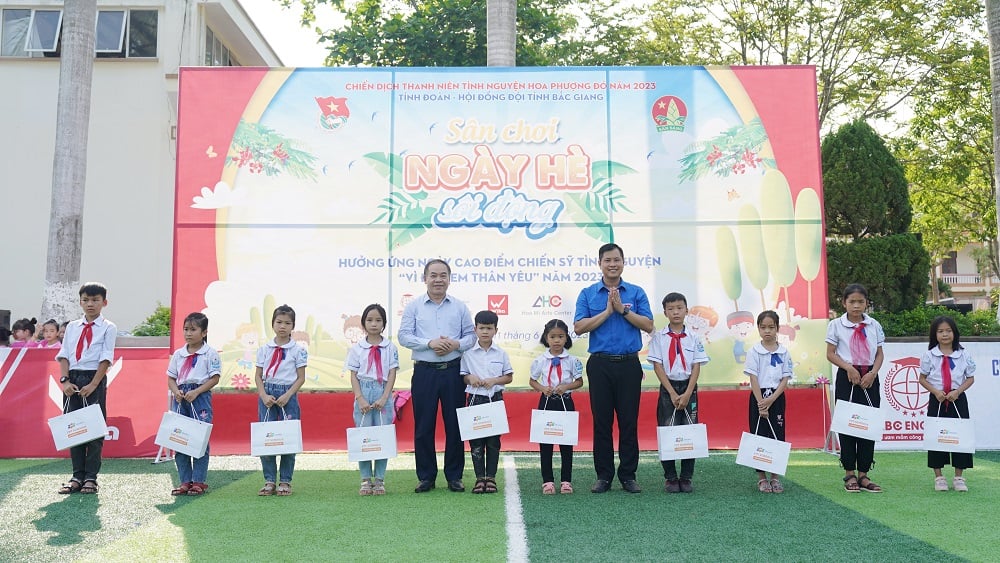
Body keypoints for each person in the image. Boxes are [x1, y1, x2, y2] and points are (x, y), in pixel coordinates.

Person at [574, 243, 654, 493]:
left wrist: (622, 310)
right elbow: (578, 327)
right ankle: (604, 476)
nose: (612, 264)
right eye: (607, 260)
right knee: (602, 422)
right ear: (600, 263)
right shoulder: (588, 293)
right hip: (599, 365)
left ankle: (628, 475)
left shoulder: (636, 292)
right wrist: (609, 312)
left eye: (617, 260)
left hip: (629, 364)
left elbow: (649, 325)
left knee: (629, 422)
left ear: (623, 262)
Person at [398, 259, 476, 493]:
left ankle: (454, 476)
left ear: (449, 279)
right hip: (424, 372)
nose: (438, 279)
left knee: (454, 425)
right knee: (423, 426)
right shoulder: (414, 307)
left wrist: (455, 344)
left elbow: (471, 337)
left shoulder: (460, 307)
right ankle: (426, 476)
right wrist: (429, 343)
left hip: (453, 371)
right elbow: (404, 336)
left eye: (443, 275)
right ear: (425, 278)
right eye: (433, 275)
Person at [55, 282, 117, 495]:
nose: (90, 304)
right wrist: (64, 381)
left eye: (95, 300)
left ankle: (91, 478)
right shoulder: (72, 326)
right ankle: (76, 476)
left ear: (104, 302)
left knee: (94, 429)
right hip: (73, 378)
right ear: (80, 301)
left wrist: (93, 384)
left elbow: (106, 358)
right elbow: (64, 354)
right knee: (75, 429)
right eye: (86, 300)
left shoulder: (108, 327)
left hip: (93, 379)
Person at [826, 283, 885, 493]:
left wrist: (873, 373)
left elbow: (879, 353)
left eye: (861, 301)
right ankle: (849, 473)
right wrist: (848, 368)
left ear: (867, 303)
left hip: (869, 378)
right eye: (852, 301)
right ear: (844, 303)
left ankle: (864, 474)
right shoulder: (836, 325)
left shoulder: (874, 325)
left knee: (868, 425)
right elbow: (831, 353)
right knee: (848, 425)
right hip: (847, 377)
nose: (857, 306)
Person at [648, 292, 709, 493]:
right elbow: (657, 366)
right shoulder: (659, 337)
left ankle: (686, 477)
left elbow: (697, 366)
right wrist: (673, 393)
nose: (676, 312)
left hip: (689, 388)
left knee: (689, 431)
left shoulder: (693, 337)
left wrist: (688, 392)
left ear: (687, 310)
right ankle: (671, 477)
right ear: (665, 312)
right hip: (669, 389)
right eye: (671, 308)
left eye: (679, 308)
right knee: (668, 431)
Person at [254, 304, 307, 497]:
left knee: (288, 438)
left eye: (287, 323)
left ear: (293, 326)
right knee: (267, 437)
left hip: (288, 395)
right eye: (279, 322)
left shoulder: (298, 350)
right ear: (272, 324)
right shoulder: (264, 349)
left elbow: (301, 377)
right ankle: (269, 480)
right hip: (267, 394)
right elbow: (258, 376)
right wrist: (263, 395)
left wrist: (287, 395)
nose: (282, 326)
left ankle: (285, 480)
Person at [166, 313, 221, 496]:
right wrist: (176, 392)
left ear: (204, 332)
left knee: (200, 439)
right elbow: (171, 378)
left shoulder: (210, 353)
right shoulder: (179, 355)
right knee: (180, 438)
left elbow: (215, 378)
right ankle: (184, 481)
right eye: (186, 329)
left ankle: (198, 481)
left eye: (193, 329)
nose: (188, 333)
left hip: (200, 397)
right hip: (181, 399)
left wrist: (197, 391)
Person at [347, 303, 399, 496]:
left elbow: (392, 373)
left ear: (384, 324)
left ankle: (379, 479)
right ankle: (365, 479)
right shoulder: (357, 348)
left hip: (382, 393)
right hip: (363, 391)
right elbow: (353, 375)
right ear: (363, 323)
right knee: (364, 437)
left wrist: (385, 396)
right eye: (369, 320)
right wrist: (360, 398)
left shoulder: (389, 347)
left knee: (382, 437)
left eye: (378, 320)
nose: (374, 324)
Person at [918, 316, 975, 492]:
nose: (945, 334)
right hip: (938, 399)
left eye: (948, 331)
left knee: (960, 436)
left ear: (954, 333)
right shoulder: (929, 355)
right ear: (934, 334)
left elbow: (970, 378)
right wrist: (936, 392)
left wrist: (957, 392)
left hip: (958, 398)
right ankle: (939, 477)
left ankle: (959, 477)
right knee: (937, 436)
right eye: (940, 331)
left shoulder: (963, 354)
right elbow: (922, 378)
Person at [461, 310, 513, 494]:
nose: (485, 332)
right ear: (475, 329)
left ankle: (490, 478)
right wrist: (470, 378)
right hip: (475, 400)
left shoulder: (501, 353)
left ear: (495, 330)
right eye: (481, 328)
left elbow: (508, 377)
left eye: (489, 328)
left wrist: (494, 381)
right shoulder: (467, 354)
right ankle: (479, 478)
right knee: (476, 442)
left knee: (493, 441)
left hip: (495, 400)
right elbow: (463, 376)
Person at [528, 319, 584, 494]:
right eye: (553, 337)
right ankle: (548, 481)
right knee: (546, 443)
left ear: (566, 337)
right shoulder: (540, 361)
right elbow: (532, 381)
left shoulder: (572, 360)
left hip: (565, 402)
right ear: (546, 338)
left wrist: (566, 387)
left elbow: (579, 381)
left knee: (566, 442)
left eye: (561, 336)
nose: (557, 340)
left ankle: (566, 480)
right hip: (546, 402)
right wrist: (543, 388)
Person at [744, 310, 793, 493]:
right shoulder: (754, 351)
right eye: (763, 327)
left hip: (777, 398)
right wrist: (761, 403)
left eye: (771, 327)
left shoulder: (784, 352)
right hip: (758, 397)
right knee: (760, 434)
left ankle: (775, 477)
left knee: (777, 435)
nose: (767, 331)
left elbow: (785, 379)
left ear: (777, 328)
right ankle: (762, 478)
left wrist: (772, 399)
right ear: (758, 328)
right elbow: (753, 378)